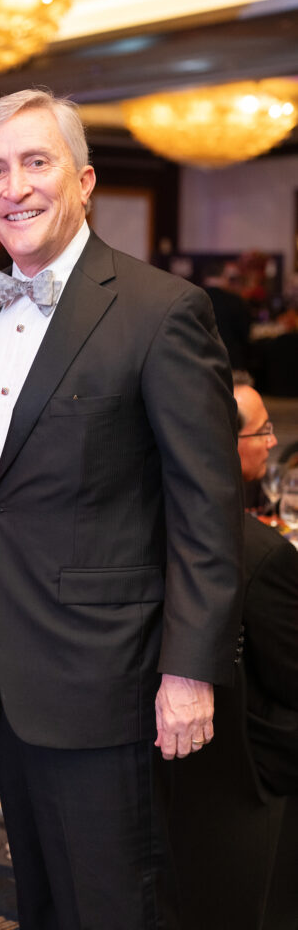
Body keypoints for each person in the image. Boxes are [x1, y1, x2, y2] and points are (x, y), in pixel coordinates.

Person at [0, 88, 245, 930]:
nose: (15, 188)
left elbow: (205, 508)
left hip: (111, 676)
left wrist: (189, 674)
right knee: (39, 895)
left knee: (119, 902)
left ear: (82, 179)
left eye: (35, 163)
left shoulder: (161, 311)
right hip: (5, 670)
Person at [162, 375, 298, 929]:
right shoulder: (261, 556)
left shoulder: (154, 525)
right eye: (262, 432)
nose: (272, 442)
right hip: (246, 775)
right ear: (223, 442)